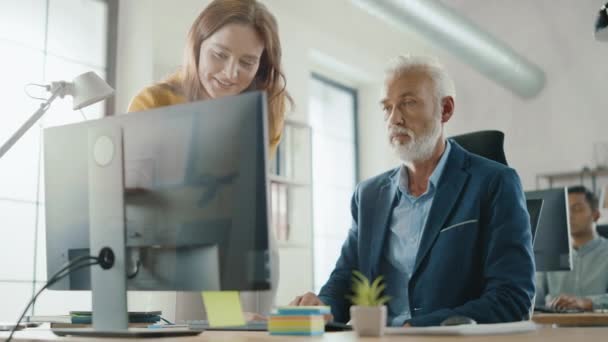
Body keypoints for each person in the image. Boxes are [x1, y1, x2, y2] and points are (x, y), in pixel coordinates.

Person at [290, 55, 535, 327]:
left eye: (408, 103)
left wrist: (417, 329)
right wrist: (322, 305)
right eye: (387, 107)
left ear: (445, 109)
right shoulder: (369, 195)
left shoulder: (495, 183)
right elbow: (347, 279)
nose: (394, 118)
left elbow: (512, 298)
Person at [127, 0, 292, 321]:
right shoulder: (154, 102)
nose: (231, 73)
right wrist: (226, 313)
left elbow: (238, 203)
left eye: (248, 62)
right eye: (219, 54)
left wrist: (230, 313)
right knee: (184, 329)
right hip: (174, 246)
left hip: (245, 246)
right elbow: (146, 208)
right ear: (197, 45)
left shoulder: (267, 105)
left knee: (245, 332)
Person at [536, 186, 608, 311]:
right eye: (564, 209)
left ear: (595, 215)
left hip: (599, 328)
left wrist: (588, 302)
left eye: (577, 209)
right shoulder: (549, 253)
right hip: (555, 328)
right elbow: (534, 297)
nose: (569, 215)